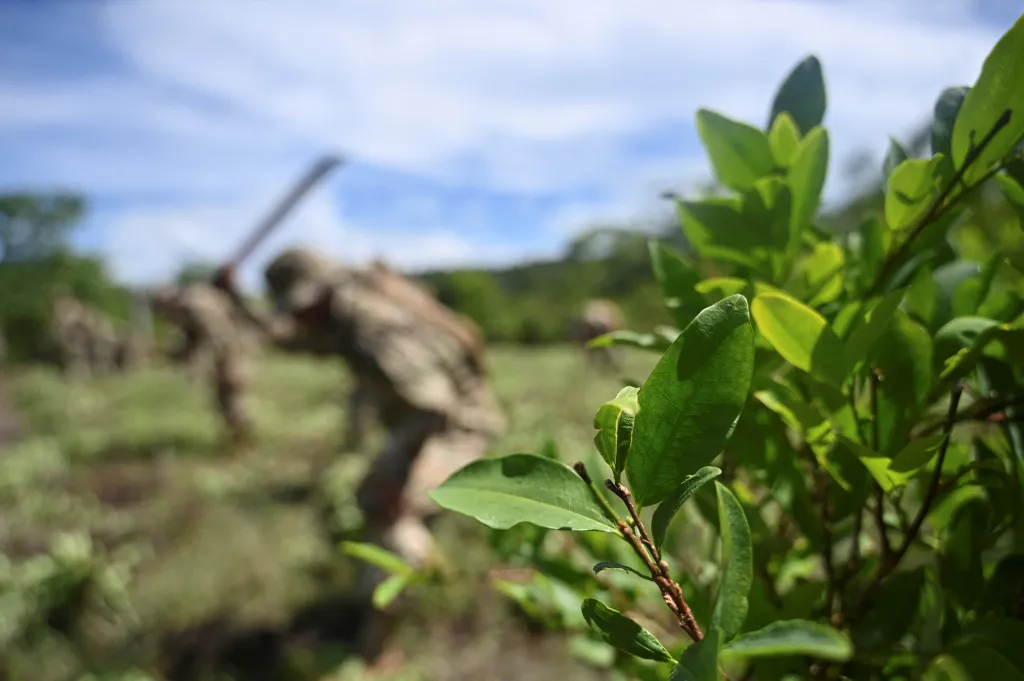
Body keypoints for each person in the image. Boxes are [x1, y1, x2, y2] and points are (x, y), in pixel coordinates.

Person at [212, 248, 507, 662]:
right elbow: (291, 338)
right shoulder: (341, 312)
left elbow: (432, 406)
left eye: (302, 308)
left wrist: (396, 475)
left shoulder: (371, 324)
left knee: (391, 514)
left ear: (320, 295)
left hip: (455, 426)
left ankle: (383, 644)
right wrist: (238, 300)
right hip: (432, 419)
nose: (300, 318)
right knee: (386, 501)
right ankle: (429, 573)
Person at [150, 282, 258, 449]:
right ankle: (237, 440)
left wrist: (198, 366)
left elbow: (216, 338)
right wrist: (172, 355)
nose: (166, 315)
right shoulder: (186, 311)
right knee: (222, 401)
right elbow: (189, 341)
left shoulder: (198, 305)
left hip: (231, 352)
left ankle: (244, 442)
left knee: (232, 397)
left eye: (165, 309)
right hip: (223, 353)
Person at [49, 287, 119, 379]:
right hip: (78, 338)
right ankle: (88, 374)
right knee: (78, 356)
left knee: (98, 356)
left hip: (95, 338)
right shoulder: (63, 306)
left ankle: (98, 374)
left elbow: (79, 321)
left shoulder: (73, 305)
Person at [567, 298, 625, 371]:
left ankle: (613, 365)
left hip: (606, 334)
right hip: (599, 336)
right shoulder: (594, 315)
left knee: (610, 351)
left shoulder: (605, 313)